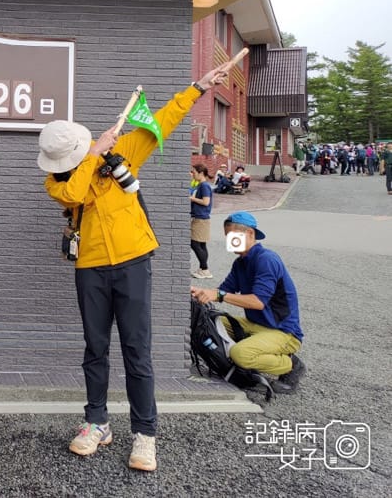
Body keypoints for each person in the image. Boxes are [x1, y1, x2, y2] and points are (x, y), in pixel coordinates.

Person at [36, 58, 234, 473]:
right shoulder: (58, 181)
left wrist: (198, 87)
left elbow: (163, 120)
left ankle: (145, 433)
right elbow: (74, 194)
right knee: (95, 348)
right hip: (90, 267)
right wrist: (92, 156)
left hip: (133, 262)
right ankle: (97, 423)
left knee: (136, 349)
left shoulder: (123, 151)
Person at [190, 211, 305, 394]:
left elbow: (257, 302)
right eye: (227, 237)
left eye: (233, 236)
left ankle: (291, 364)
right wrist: (200, 292)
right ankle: (253, 353)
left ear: (250, 233)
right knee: (208, 321)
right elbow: (223, 290)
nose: (229, 241)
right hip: (256, 324)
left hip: (284, 332)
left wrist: (218, 295)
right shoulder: (240, 263)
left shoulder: (266, 260)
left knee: (240, 354)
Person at [189, 164, 214, 279]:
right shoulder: (201, 185)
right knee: (201, 244)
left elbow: (206, 202)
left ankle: (205, 269)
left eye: (194, 172)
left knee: (194, 243)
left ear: (201, 173)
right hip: (202, 218)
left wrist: (191, 198)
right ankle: (203, 269)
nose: (193, 174)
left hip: (201, 218)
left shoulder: (204, 186)